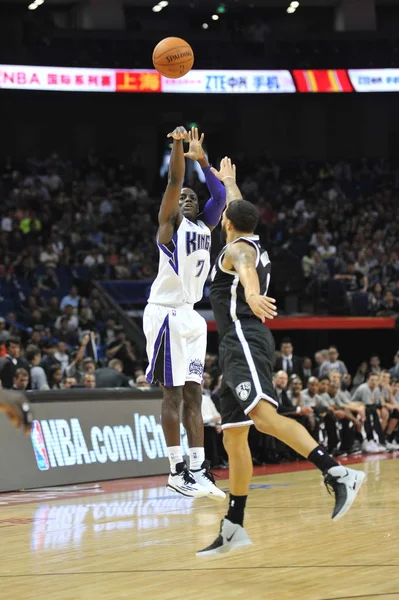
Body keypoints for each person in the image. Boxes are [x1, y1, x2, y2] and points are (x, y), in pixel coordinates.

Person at [197, 158, 365, 557]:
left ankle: (338, 472)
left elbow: (245, 268)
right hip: (234, 345)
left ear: (226, 223)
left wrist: (252, 294)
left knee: (264, 419)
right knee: (235, 435)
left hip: (244, 339)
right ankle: (234, 525)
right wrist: (227, 179)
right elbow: (236, 207)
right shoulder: (248, 235)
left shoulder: (238, 250)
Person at [143, 126, 227, 500]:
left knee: (195, 394)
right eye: (184, 197)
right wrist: (178, 145)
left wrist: (205, 161)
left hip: (193, 316)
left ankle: (198, 468)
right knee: (173, 395)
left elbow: (221, 195)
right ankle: (176, 469)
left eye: (195, 196)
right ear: (175, 206)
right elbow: (176, 178)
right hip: (165, 314)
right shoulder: (169, 227)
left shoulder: (205, 226)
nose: (189, 198)